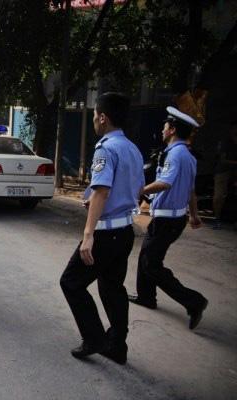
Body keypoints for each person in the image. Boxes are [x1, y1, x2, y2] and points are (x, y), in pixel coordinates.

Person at [59, 92, 144, 365]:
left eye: (95, 114)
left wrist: (88, 235)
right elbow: (137, 190)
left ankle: (94, 338)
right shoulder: (132, 148)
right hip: (125, 231)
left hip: (106, 234)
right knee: (112, 288)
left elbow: (102, 192)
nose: (94, 119)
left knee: (71, 282)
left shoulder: (105, 148)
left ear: (103, 118)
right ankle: (117, 345)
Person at [128, 107, 209, 330]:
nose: (162, 130)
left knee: (151, 264)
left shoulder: (176, 154)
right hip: (173, 218)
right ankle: (146, 296)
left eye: (165, 127)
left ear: (172, 129)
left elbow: (165, 182)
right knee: (147, 256)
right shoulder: (188, 156)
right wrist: (194, 215)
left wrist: (138, 190)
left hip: (167, 221)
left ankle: (193, 301)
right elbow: (191, 190)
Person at [212, 120, 237, 229]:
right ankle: (217, 219)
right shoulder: (226, 142)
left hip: (235, 172)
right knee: (219, 196)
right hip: (223, 171)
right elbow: (222, 159)